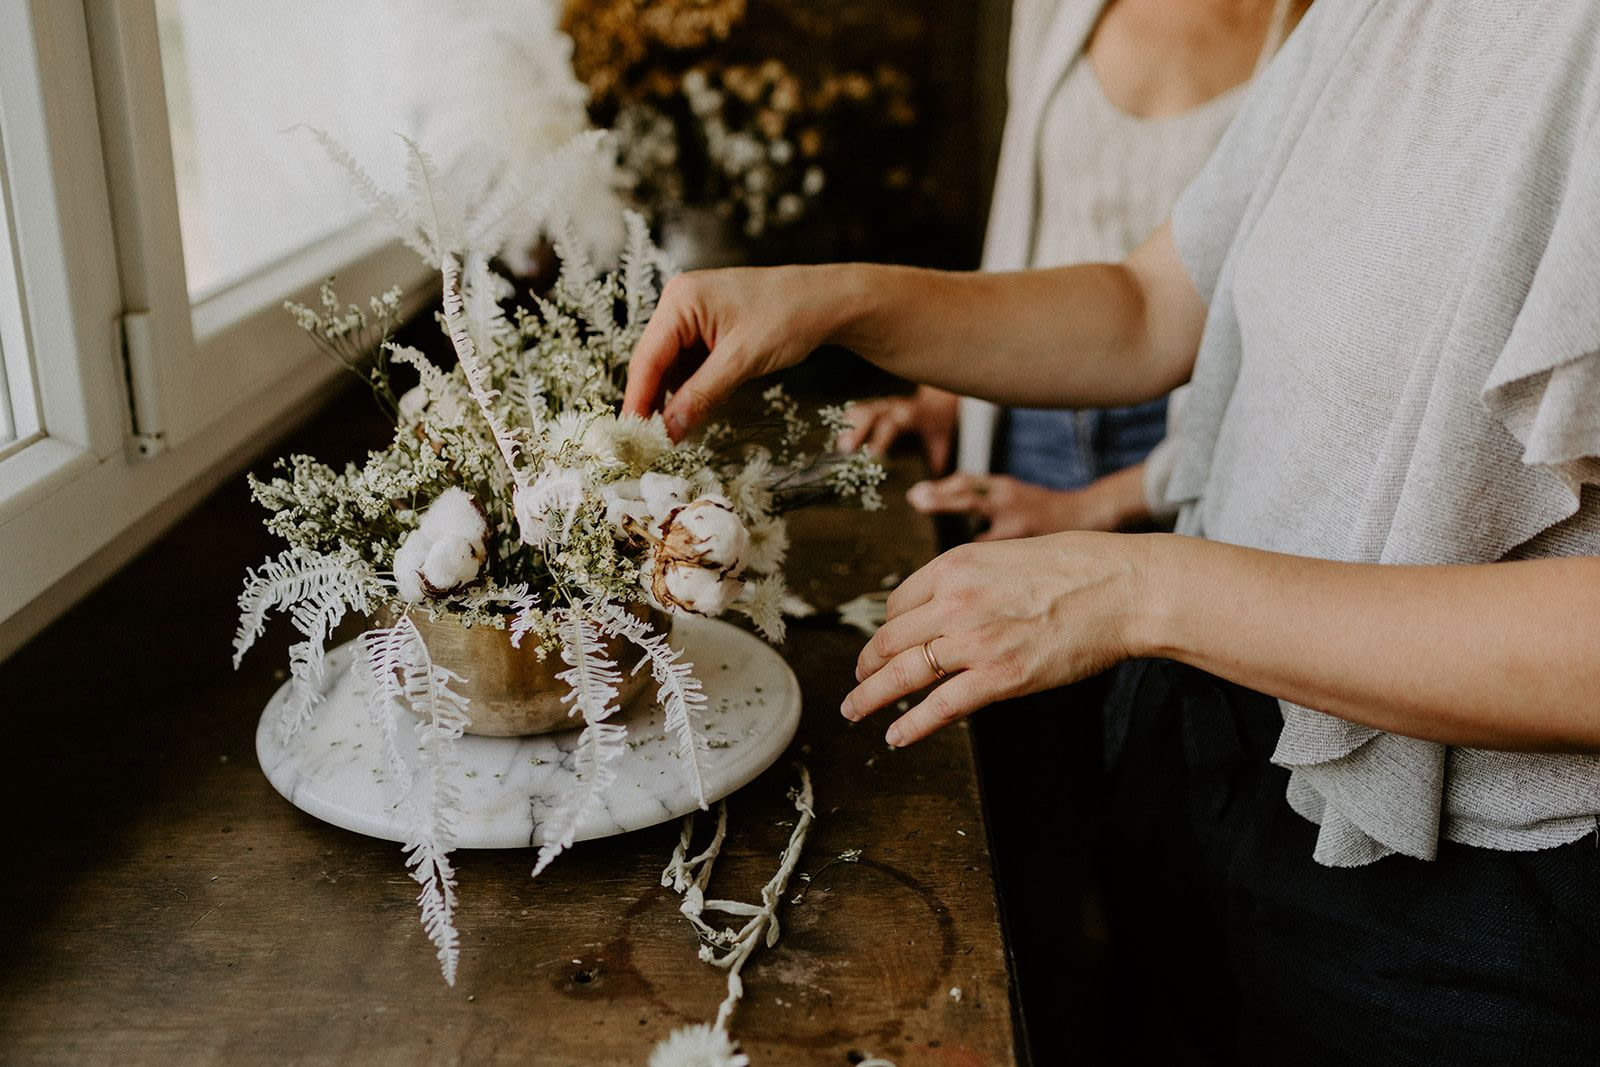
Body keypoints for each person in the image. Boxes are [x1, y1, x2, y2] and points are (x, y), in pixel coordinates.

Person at [624, 2, 1600, 1060]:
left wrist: (1136, 589)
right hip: (1225, 755)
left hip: (1465, 907)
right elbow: (1148, 306)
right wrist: (834, 300)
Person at [841, 0, 1301, 543]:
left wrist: (1096, 505)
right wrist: (945, 397)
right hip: (1023, 413)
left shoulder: (1317, 28)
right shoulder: (1056, 9)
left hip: (1190, 454)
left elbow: (1289, 338)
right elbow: (1023, 218)